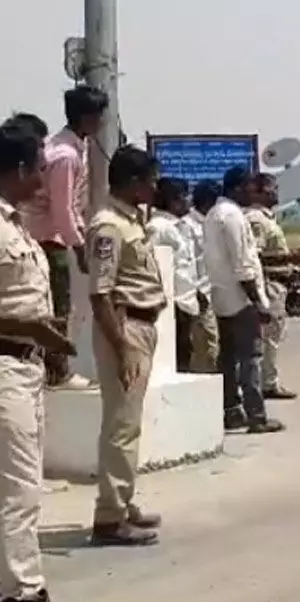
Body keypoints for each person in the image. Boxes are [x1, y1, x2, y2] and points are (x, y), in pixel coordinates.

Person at [0, 120, 92, 602]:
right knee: (16, 497)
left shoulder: (14, 224)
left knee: (19, 490)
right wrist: (27, 330)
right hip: (6, 366)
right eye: (36, 166)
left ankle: (16, 593)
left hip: (24, 369)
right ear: (16, 170)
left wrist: (43, 337)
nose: (42, 175)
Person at [85, 145, 166, 547]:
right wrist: (122, 348)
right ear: (133, 182)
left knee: (128, 422)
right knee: (121, 424)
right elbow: (100, 294)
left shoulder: (130, 220)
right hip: (125, 327)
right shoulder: (108, 227)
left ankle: (122, 499)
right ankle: (110, 517)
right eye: (149, 180)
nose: (154, 187)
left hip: (141, 324)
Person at [28, 87, 109, 390]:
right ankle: (57, 371)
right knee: (58, 306)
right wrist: (77, 246)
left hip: (50, 235)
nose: (103, 122)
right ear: (87, 117)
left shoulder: (73, 147)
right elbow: (62, 208)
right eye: (99, 116)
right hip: (49, 238)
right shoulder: (64, 156)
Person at [205, 167, 284, 434]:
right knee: (251, 358)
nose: (255, 192)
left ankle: (232, 411)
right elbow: (243, 265)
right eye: (251, 187)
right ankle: (256, 416)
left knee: (227, 359)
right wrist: (258, 302)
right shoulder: (233, 217)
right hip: (241, 299)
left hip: (220, 296)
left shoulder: (213, 214)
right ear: (239, 187)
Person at [244, 173, 300, 400]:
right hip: (269, 284)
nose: (275, 193)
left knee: (273, 337)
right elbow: (255, 257)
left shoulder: (268, 218)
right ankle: (267, 383)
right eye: (270, 189)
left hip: (278, 283)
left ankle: (267, 380)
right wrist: (289, 259)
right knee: (268, 338)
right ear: (257, 192)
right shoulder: (256, 219)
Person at [147, 178, 201, 372]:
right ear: (174, 201)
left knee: (186, 351)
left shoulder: (179, 226)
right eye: (186, 196)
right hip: (174, 303)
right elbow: (150, 260)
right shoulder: (159, 227)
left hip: (186, 300)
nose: (189, 201)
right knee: (178, 357)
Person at [185, 181, 220, 372]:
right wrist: (197, 292)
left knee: (212, 344)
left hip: (214, 292)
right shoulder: (189, 226)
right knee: (206, 346)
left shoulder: (210, 223)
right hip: (200, 296)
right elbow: (188, 263)